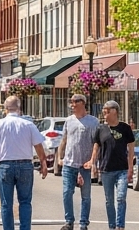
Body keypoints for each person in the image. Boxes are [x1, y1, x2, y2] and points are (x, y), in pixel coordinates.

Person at [0, 95, 50, 230]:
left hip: (6, 166)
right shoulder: (28, 124)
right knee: (25, 202)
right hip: (25, 165)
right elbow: (39, 146)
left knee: (6, 204)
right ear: (19, 108)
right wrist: (43, 163)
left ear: (5, 109)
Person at [86, 100, 135, 230]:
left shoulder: (125, 128)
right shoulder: (101, 128)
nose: (104, 114)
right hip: (106, 170)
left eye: (106, 111)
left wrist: (130, 166)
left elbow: (131, 147)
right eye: (103, 111)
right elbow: (96, 147)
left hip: (122, 170)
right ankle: (112, 226)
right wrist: (93, 162)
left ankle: (120, 226)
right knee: (109, 201)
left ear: (114, 111)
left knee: (121, 198)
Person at [59, 94, 100, 230]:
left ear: (82, 103)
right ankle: (69, 222)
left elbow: (96, 143)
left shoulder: (93, 122)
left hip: (85, 165)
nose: (72, 105)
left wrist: (92, 161)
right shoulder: (68, 120)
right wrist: (60, 157)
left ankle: (83, 223)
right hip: (69, 164)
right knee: (66, 193)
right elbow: (64, 140)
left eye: (74, 102)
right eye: (70, 102)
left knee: (86, 196)